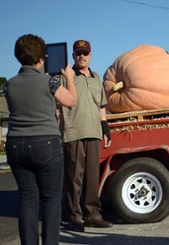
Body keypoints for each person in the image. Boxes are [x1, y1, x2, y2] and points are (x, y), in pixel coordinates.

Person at [4, 34, 77, 245]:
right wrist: (69, 78)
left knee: (27, 197)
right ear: (42, 58)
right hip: (45, 143)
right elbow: (71, 100)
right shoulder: (49, 81)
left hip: (16, 144)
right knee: (51, 198)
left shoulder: (9, 85)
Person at [59, 39, 113, 233]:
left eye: (85, 53)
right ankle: (74, 216)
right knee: (75, 178)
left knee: (92, 176)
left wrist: (105, 129)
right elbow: (57, 108)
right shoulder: (66, 77)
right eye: (78, 53)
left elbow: (101, 107)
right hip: (73, 133)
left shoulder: (96, 77)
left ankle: (93, 215)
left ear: (90, 56)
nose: (82, 56)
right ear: (73, 56)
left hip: (94, 132)